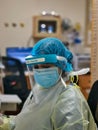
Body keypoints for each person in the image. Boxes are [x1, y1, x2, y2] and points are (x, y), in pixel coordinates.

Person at [0, 37, 97, 130]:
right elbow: (27, 120)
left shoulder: (69, 101)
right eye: (36, 67)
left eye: (46, 66)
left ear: (61, 66)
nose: (40, 71)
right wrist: (5, 123)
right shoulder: (39, 90)